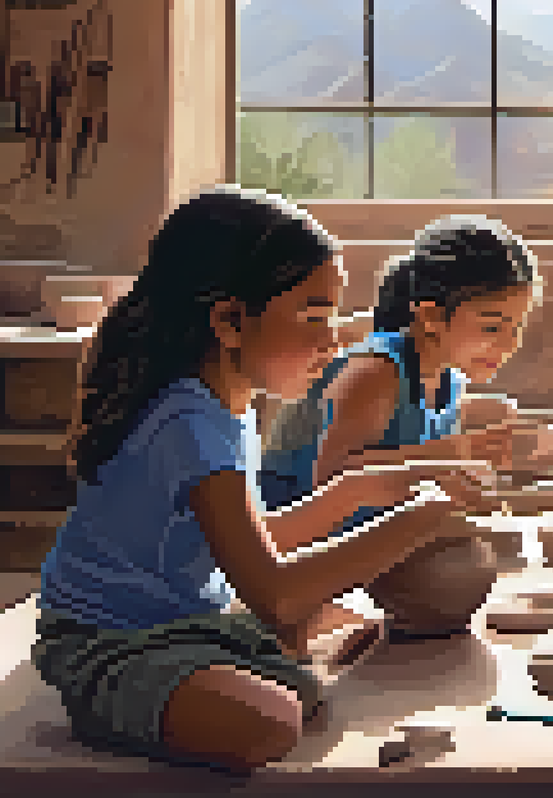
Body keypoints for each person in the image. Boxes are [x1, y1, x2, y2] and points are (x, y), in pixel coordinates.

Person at [34, 186, 501, 773]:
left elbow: (249, 542)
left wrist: (352, 493)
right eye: (312, 315)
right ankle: (104, 701)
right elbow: (274, 594)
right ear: (229, 320)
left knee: (331, 642)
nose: (331, 341)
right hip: (110, 640)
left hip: (187, 615)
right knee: (271, 719)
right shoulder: (188, 424)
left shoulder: (223, 404)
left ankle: (224, 665)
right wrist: (422, 519)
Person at [259, 214, 553, 555]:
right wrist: (455, 452)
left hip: (366, 544)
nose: (509, 345)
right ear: (432, 317)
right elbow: (335, 481)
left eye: (517, 328)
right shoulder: (377, 371)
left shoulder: (449, 377)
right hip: (289, 552)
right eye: (493, 328)